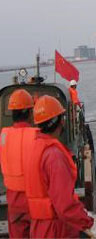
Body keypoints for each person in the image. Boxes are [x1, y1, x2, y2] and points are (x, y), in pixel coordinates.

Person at [26, 96, 96, 238]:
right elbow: (65, 205)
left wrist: (84, 213)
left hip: (39, 228)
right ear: (61, 121)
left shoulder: (35, 147)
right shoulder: (54, 156)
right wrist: (88, 223)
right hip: (56, 230)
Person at [1, 89, 37, 238]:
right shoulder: (37, 136)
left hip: (14, 204)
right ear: (30, 113)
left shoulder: (3, 136)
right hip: (35, 202)